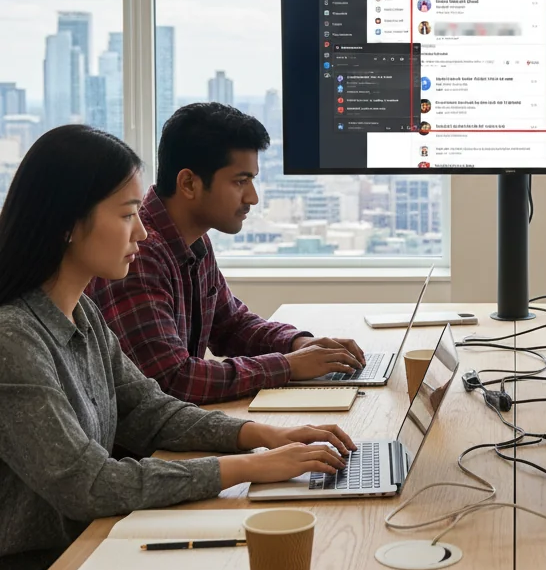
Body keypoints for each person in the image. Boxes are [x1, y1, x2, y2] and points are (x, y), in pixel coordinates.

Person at [0, 126, 355, 570]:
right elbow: (90, 484)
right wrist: (250, 466)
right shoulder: (12, 339)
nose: (142, 232)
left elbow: (153, 411)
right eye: (127, 216)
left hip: (91, 548)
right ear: (66, 223)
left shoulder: (82, 314)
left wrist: (265, 435)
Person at [88, 104, 365, 404]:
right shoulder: (139, 254)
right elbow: (171, 381)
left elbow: (231, 325)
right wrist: (287, 366)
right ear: (189, 183)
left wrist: (298, 343)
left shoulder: (194, 241)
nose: (253, 198)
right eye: (240, 181)